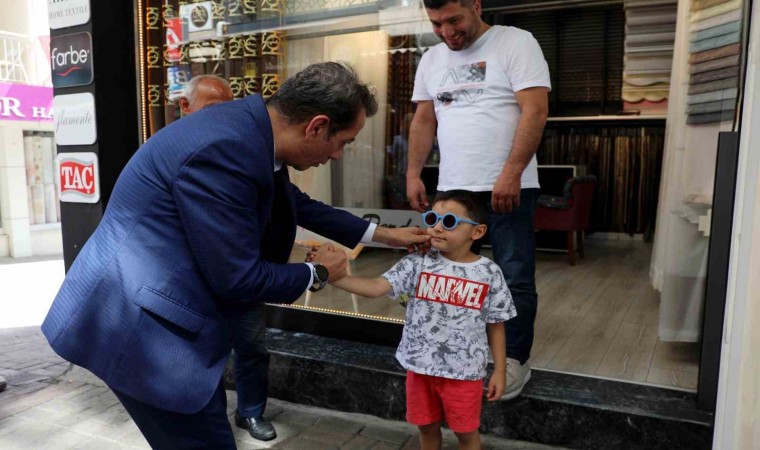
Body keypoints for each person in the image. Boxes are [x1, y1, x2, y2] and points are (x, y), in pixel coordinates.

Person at [41, 62, 430, 449]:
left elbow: (294, 203)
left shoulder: (251, 130)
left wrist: (384, 235)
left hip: (159, 316)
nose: (339, 155)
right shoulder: (227, 148)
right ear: (316, 126)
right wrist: (318, 272)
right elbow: (239, 278)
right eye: (344, 141)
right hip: (143, 331)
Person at [406, 0, 550, 400]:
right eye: (437, 23)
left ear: (476, 5)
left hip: (509, 186)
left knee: (513, 276)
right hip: (452, 191)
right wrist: (414, 172)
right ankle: (454, 351)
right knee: (448, 276)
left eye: (454, 20)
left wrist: (511, 173)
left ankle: (514, 359)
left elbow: (535, 110)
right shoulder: (432, 59)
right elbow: (424, 119)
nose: (447, 32)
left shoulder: (515, 42)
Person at [328, 190, 516, 450]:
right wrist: (333, 277)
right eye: (432, 219)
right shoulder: (418, 263)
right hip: (419, 368)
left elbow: (496, 325)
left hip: (463, 373)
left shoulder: (489, 273)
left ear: (477, 231)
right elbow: (375, 287)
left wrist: (500, 371)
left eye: (449, 221)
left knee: (465, 432)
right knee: (426, 428)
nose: (437, 228)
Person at [179, 74, 276, 441]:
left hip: (243, 271)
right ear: (185, 106)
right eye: (212, 108)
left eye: (227, 108)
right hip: (197, 278)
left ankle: (250, 412)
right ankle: (211, 418)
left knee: (253, 346)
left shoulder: (241, 147)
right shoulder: (171, 149)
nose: (223, 117)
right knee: (206, 352)